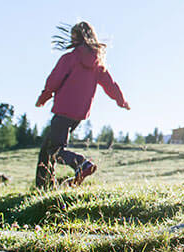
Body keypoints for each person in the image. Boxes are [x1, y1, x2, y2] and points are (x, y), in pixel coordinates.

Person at [34, 21, 130, 188]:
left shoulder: (70, 58)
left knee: (53, 150)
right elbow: (110, 85)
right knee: (47, 149)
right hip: (79, 114)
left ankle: (81, 164)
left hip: (63, 109)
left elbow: (54, 81)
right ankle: (45, 186)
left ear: (77, 37)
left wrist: (43, 98)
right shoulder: (98, 64)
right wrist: (122, 101)